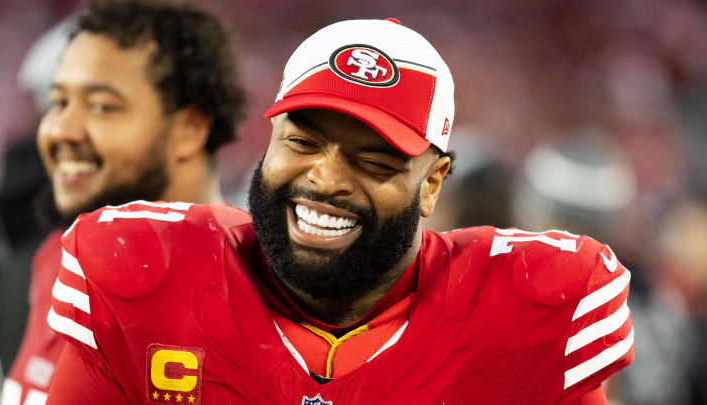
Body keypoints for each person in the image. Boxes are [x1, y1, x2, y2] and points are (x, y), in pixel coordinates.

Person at [46, 18, 633, 404]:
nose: (325, 180)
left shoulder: (527, 310)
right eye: (302, 143)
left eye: (373, 161)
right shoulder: (142, 270)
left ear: (432, 185)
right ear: (269, 139)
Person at [2, 1, 246, 404]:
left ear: (189, 129)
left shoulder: (251, 294)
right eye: (59, 102)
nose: (61, 129)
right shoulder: (61, 257)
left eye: (101, 106)